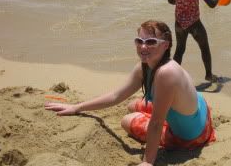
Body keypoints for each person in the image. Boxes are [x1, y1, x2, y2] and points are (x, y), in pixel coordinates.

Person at [45, 20, 216, 166]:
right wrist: (77, 107)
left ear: (165, 45)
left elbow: (156, 123)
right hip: (200, 109)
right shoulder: (145, 66)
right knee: (131, 105)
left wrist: (148, 161)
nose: (143, 46)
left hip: (192, 135)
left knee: (127, 120)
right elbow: (116, 96)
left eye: (150, 42)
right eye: (139, 41)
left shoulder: (166, 73)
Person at [168, 0, 221, 83]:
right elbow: (212, 4)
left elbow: (171, 1)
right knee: (204, 48)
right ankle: (209, 75)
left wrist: (181, 1)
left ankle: (172, 77)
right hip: (195, 24)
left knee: (180, 50)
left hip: (179, 23)